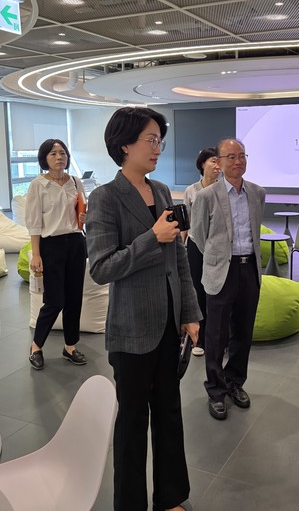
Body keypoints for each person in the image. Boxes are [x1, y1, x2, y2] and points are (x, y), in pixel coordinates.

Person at [86, 107, 200, 511]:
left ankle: (171, 497)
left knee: (169, 414)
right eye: (150, 140)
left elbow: (179, 258)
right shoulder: (105, 198)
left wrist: (190, 312)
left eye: (159, 141)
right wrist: (152, 237)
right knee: (133, 423)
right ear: (124, 145)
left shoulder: (163, 191)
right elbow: (102, 267)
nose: (157, 148)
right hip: (132, 328)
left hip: (169, 322)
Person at [190, 138, 265, 421]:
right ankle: (216, 390)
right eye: (230, 157)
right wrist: (219, 257)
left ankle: (235, 382)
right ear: (219, 163)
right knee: (216, 334)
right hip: (222, 270)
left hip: (250, 269)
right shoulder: (207, 196)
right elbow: (198, 236)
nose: (237, 161)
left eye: (241, 155)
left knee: (243, 332)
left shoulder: (257, 193)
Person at [25, 138, 88, 370]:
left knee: (74, 298)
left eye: (62, 153)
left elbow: (81, 209)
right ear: (44, 159)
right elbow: (34, 222)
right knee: (54, 300)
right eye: (53, 154)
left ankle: (70, 347)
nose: (59, 157)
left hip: (76, 243)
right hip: (51, 245)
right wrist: (36, 254)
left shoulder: (75, 181)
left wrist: (83, 217)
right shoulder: (38, 185)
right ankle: (36, 346)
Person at [182, 147, 221, 356]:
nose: (217, 165)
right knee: (197, 290)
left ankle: (220, 338)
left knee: (218, 291)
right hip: (195, 246)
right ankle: (200, 338)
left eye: (219, 161)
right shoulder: (191, 191)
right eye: (213, 161)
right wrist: (182, 247)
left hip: (217, 247)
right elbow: (185, 223)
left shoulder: (224, 189)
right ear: (202, 164)